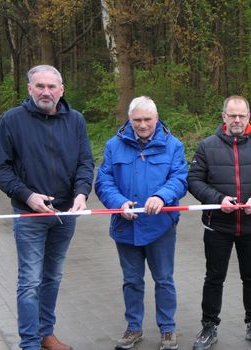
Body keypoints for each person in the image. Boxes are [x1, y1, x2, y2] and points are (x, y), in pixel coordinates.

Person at [0, 64, 94, 350]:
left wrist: (82, 193)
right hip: (29, 215)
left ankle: (46, 333)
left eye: (51, 87)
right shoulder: (11, 121)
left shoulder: (76, 120)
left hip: (64, 216)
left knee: (52, 277)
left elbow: (86, 163)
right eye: (40, 86)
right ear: (29, 89)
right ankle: (29, 344)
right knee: (30, 281)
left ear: (62, 90)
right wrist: (27, 196)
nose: (46, 91)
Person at [187, 95, 251, 350]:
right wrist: (218, 199)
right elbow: (194, 180)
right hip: (218, 226)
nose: (237, 119)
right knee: (214, 278)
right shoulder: (206, 146)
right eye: (232, 115)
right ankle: (208, 326)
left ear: (249, 116)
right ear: (224, 117)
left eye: (242, 115)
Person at [94, 96, 187, 350]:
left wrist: (162, 196)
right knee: (131, 281)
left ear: (156, 118)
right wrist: (118, 202)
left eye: (147, 119)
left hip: (161, 227)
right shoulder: (114, 146)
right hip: (125, 226)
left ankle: (167, 329)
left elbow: (179, 178)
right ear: (130, 119)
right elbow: (104, 181)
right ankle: (133, 328)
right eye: (137, 120)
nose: (143, 124)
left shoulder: (173, 145)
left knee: (164, 279)